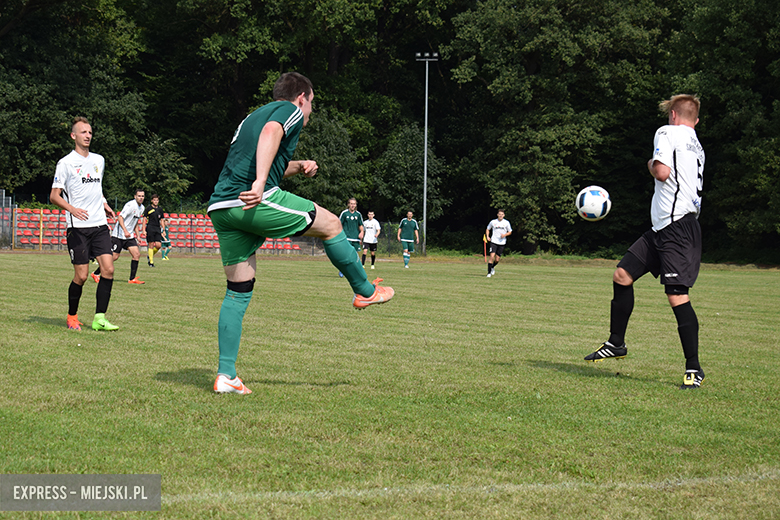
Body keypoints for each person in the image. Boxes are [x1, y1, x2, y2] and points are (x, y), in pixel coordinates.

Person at [207, 72, 394, 395]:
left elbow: (259, 151)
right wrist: (261, 183)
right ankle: (364, 291)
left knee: (238, 290)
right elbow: (271, 134)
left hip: (222, 208)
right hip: (252, 199)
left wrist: (298, 164)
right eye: (312, 106)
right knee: (333, 225)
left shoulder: (253, 115)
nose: (309, 114)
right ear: (301, 98)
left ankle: (226, 375)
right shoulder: (287, 110)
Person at [584, 94, 706, 389]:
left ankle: (694, 368)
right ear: (696, 120)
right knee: (622, 275)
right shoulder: (697, 145)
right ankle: (616, 343)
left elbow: (662, 172)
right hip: (666, 227)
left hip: (676, 228)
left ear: (674, 115)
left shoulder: (666, 132)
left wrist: (650, 161)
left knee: (677, 295)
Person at [49, 116, 119, 331]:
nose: (88, 136)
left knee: (108, 270)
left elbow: (96, 188)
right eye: (83, 132)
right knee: (81, 276)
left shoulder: (99, 160)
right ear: (73, 136)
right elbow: (54, 196)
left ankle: (100, 318)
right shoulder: (66, 163)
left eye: (89, 132)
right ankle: (72, 316)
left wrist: (105, 203)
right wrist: (72, 209)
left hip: (99, 226)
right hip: (77, 228)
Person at [92, 189, 146, 284]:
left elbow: (135, 221)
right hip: (119, 235)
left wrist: (137, 235)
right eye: (139, 196)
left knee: (136, 254)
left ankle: (132, 279)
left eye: (142, 196)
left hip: (129, 236)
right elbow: (120, 217)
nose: (141, 198)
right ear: (135, 196)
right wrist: (125, 230)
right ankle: (96, 273)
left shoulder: (142, 208)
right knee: (114, 257)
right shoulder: (130, 205)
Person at [337, 197, 364, 277]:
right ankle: (342, 270)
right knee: (346, 254)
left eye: (354, 204)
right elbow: (339, 224)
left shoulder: (358, 214)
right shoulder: (344, 213)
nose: (353, 205)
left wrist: (362, 232)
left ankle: (354, 271)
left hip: (355, 238)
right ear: (348, 204)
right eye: (351, 204)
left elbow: (361, 225)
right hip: (346, 237)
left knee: (355, 255)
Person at [485, 209, 512, 277]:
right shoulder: (493, 222)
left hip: (502, 242)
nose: (500, 215)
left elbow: (510, 231)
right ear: (497, 214)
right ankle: (488, 273)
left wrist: (504, 235)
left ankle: (492, 267)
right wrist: (487, 236)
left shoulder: (506, 222)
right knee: (491, 256)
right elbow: (488, 229)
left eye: (502, 214)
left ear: (504, 215)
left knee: (497, 259)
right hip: (494, 241)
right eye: (499, 214)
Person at [144, 194, 167, 267]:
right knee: (151, 244)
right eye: (154, 200)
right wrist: (143, 230)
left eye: (157, 200)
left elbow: (162, 219)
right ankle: (151, 262)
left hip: (157, 228)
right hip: (150, 227)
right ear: (152, 201)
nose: (156, 201)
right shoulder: (148, 208)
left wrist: (163, 230)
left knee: (158, 245)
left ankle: (149, 256)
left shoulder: (160, 209)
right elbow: (144, 219)